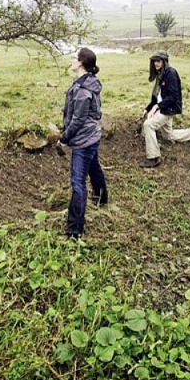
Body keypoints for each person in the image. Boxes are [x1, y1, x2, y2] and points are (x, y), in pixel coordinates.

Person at [58, 47, 108, 238]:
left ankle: (74, 231)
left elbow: (77, 120)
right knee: (94, 167)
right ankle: (102, 199)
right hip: (93, 136)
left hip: (84, 140)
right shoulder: (89, 82)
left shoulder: (82, 90)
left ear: (81, 63)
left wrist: (64, 138)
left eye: (73, 58)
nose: (71, 60)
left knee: (77, 183)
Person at [140, 51, 190, 168]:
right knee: (168, 136)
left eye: (158, 61)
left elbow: (173, 97)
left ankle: (153, 157)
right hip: (163, 108)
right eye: (154, 61)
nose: (156, 64)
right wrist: (148, 109)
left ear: (164, 61)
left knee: (148, 125)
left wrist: (157, 107)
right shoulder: (160, 75)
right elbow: (156, 97)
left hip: (168, 109)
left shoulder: (171, 73)